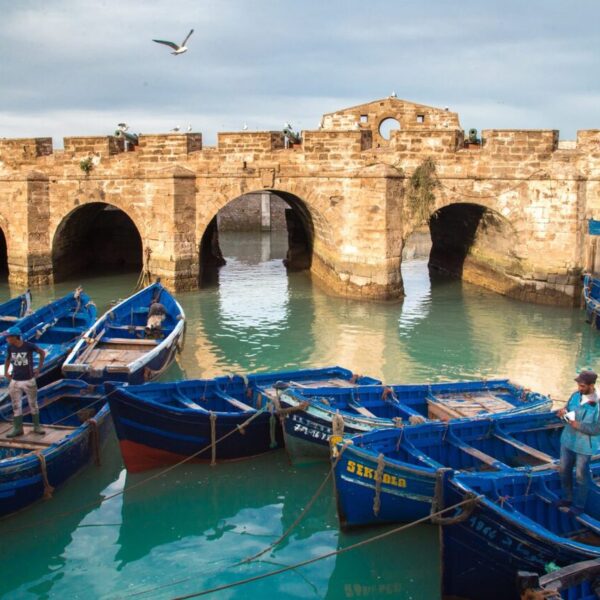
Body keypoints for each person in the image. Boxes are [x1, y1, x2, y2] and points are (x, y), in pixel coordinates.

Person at [556, 370, 600, 514]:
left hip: (584, 445)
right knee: (563, 470)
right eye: (578, 385)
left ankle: (579, 506)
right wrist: (562, 413)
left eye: (582, 386)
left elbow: (597, 429)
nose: (579, 388)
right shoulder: (575, 395)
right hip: (568, 440)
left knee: (581, 475)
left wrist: (579, 426)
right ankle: (567, 498)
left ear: (591, 385)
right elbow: (568, 410)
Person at [3, 326, 46, 437]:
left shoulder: (28, 346)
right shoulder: (10, 347)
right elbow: (7, 359)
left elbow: (42, 353)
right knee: (16, 405)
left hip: (29, 380)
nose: (6, 339)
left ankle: (37, 426)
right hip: (15, 381)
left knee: (33, 404)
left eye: (8, 337)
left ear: (15, 337)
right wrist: (6, 372)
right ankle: (18, 428)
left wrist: (39, 368)